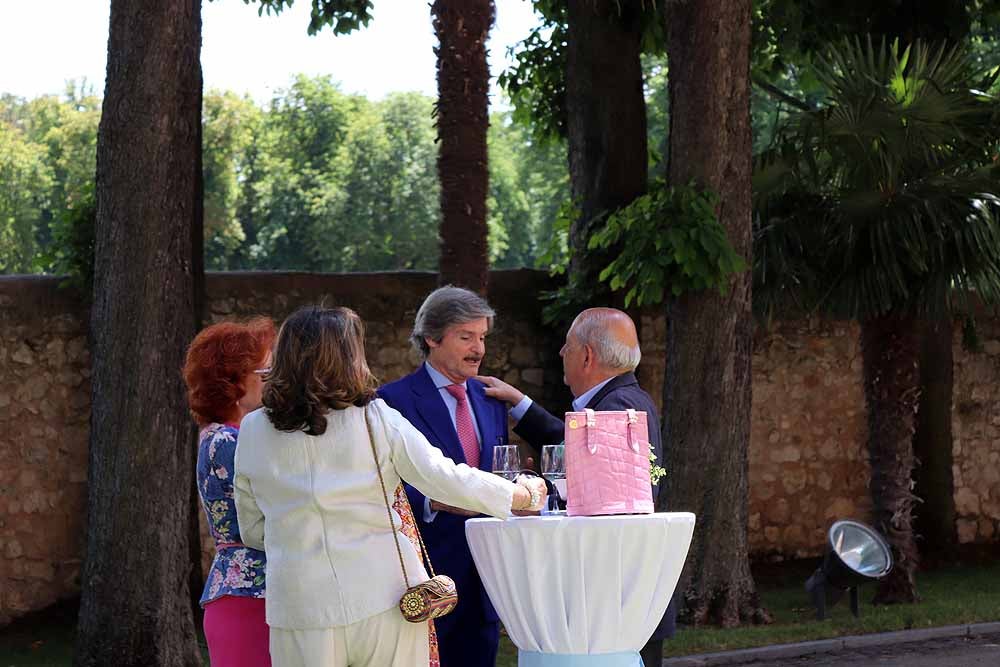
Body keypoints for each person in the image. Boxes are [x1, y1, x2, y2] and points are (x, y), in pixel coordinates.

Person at [233, 305, 546, 667]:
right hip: (384, 597)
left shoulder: (254, 429)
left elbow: (253, 530)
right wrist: (521, 494)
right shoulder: (374, 416)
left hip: (301, 604)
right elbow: (444, 477)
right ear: (349, 358)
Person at [477, 307, 677, 662]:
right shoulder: (626, 401)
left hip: (614, 604)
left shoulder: (615, 408)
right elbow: (582, 456)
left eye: (567, 345)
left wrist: (536, 488)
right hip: (626, 601)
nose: (560, 353)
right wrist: (521, 404)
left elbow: (603, 494)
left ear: (587, 355)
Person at [377, 286, 509, 667]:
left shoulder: (491, 399)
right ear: (432, 337)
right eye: (466, 337)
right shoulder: (392, 402)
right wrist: (431, 502)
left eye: (482, 337)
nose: (479, 349)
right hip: (424, 577)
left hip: (486, 579)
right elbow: (383, 486)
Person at [183, 317, 277, 667]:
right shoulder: (227, 441)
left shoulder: (231, 435)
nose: (270, 380)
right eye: (264, 371)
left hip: (253, 596)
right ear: (234, 379)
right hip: (248, 599)